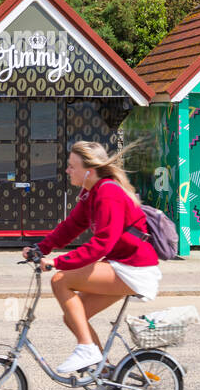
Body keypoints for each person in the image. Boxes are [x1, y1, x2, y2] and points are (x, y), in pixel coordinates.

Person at [23, 140, 161, 374]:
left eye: (71, 166)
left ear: (89, 170)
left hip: (134, 268)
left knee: (61, 280)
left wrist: (57, 262)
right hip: (120, 264)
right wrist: (41, 248)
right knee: (74, 317)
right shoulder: (92, 192)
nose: (67, 171)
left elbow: (101, 244)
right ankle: (104, 374)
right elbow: (71, 226)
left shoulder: (108, 192)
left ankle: (87, 349)